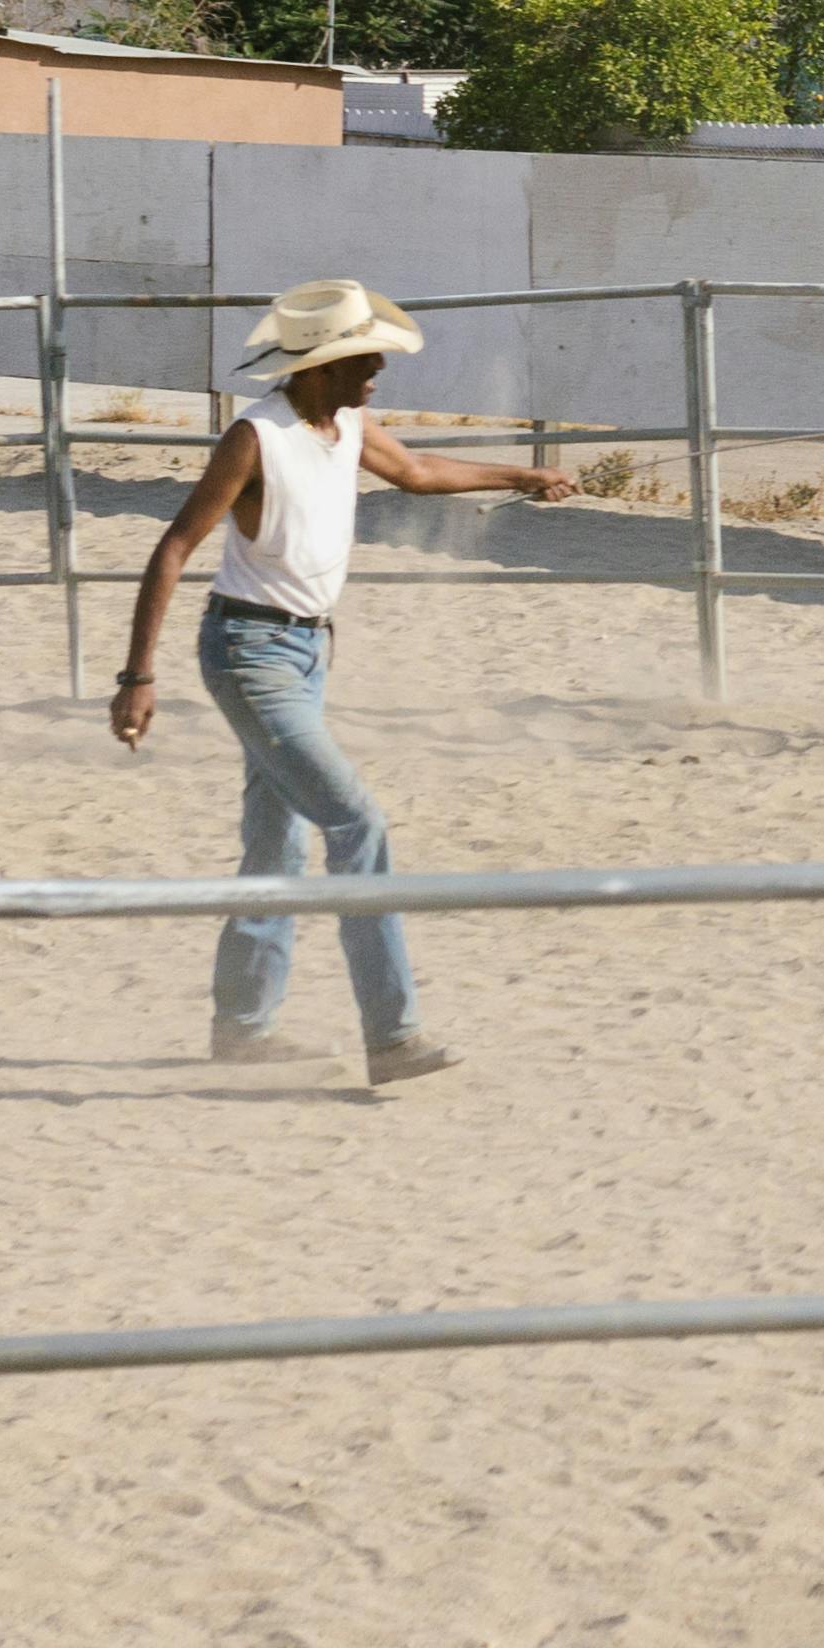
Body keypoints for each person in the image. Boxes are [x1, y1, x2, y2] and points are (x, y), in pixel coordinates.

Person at [109, 278, 571, 1086]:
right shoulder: (255, 437)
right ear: (317, 366)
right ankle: (391, 1035)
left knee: (278, 838)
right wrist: (137, 675)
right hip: (249, 656)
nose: (375, 375)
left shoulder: (346, 422)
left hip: (306, 655)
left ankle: (243, 1028)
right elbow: (176, 546)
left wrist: (518, 476)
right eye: (363, 360)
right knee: (356, 822)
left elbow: (418, 471)